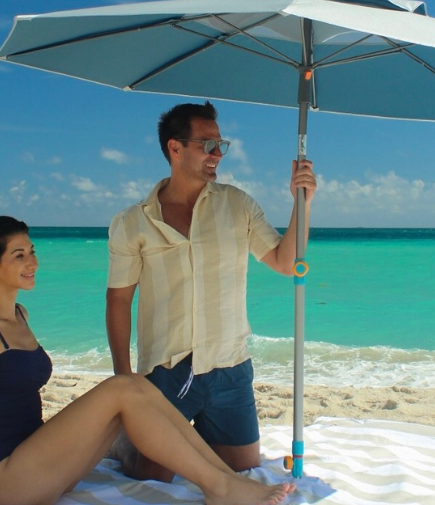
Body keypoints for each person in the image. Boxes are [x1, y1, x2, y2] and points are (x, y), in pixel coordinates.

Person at [0, 215, 295, 505]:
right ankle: (222, 487)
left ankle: (223, 478)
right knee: (124, 387)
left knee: (134, 391)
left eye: (33, 251)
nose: (32, 262)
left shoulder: (20, 316)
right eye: (19, 255)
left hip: (42, 463)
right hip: (6, 481)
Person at [106, 102, 317, 482]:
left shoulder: (238, 205)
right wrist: (124, 378)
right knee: (152, 476)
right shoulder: (133, 221)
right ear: (175, 148)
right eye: (207, 145)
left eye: (221, 145)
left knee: (244, 469)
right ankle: (123, 443)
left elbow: (286, 263)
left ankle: (197, 435)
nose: (217, 155)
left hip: (229, 368)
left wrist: (302, 202)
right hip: (166, 372)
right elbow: (119, 299)